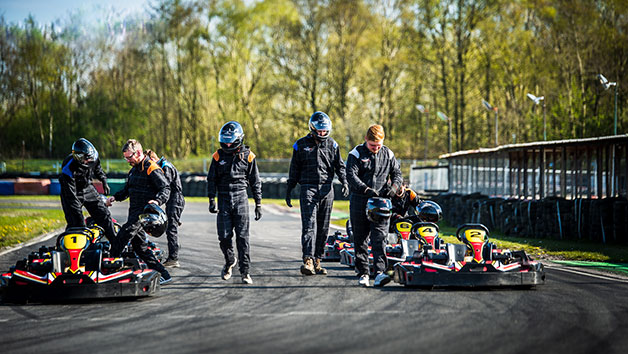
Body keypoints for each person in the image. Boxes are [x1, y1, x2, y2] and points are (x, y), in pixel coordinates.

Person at [286, 111, 348, 276]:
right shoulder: (300, 145)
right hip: (308, 189)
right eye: (318, 130)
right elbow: (294, 169)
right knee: (309, 226)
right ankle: (307, 260)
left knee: (323, 228)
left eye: (324, 131)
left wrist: (345, 182)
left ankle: (317, 260)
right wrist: (289, 188)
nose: (321, 133)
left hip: (327, 190)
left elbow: (340, 167)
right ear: (312, 128)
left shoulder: (333, 145)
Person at [106, 139, 172, 285]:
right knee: (140, 248)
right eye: (126, 158)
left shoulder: (151, 168)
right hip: (133, 211)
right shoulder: (134, 170)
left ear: (139, 153)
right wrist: (114, 197)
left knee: (123, 235)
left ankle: (108, 270)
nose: (128, 160)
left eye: (129, 157)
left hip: (144, 214)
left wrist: (157, 201)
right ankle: (165, 274)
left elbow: (165, 188)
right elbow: (128, 190)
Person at [346, 124, 402, 287]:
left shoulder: (388, 153)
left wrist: (394, 188)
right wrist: (365, 189)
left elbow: (397, 174)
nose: (376, 148)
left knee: (379, 238)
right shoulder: (356, 153)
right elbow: (351, 175)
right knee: (360, 238)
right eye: (372, 145)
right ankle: (363, 272)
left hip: (381, 203)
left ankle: (379, 272)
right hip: (360, 200)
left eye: (379, 145)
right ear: (366, 140)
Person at [207, 121, 262, 285]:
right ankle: (230, 260)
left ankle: (245, 272)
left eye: (231, 140)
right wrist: (211, 199)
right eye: (225, 140)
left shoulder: (249, 156)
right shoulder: (217, 156)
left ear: (239, 139)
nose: (228, 143)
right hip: (223, 199)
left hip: (241, 198)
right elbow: (211, 180)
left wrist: (258, 203)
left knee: (243, 238)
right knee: (224, 237)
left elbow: (255, 181)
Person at [59, 138, 116, 241]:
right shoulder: (68, 167)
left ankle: (116, 243)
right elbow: (72, 198)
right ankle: (75, 249)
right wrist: (77, 214)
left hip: (87, 187)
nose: (90, 161)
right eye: (87, 159)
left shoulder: (93, 157)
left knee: (103, 214)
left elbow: (98, 169)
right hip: (71, 190)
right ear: (79, 158)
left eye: (91, 158)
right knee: (76, 222)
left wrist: (103, 180)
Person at [145, 149, 185, 268]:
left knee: (171, 229)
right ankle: (174, 250)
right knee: (172, 226)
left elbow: (164, 186)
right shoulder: (163, 165)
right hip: (173, 199)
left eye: (149, 163)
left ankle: (173, 258)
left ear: (152, 159)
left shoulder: (166, 167)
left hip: (175, 198)